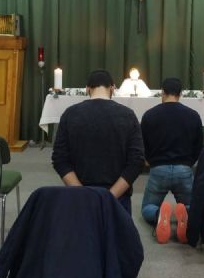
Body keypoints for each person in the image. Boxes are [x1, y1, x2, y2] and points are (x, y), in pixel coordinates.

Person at [51, 69, 145, 214]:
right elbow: (136, 162)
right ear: (112, 88)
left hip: (80, 198)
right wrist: (110, 196)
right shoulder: (128, 115)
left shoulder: (70, 114)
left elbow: (59, 159)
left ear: (88, 89)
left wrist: (83, 194)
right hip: (118, 199)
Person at [140, 78, 203, 244]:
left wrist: (149, 160)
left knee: (147, 208)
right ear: (181, 94)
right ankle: (186, 214)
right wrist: (188, 163)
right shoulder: (193, 116)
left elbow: (142, 144)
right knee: (193, 206)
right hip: (184, 169)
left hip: (158, 169)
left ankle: (159, 214)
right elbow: (198, 146)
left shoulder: (149, 115)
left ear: (162, 92)